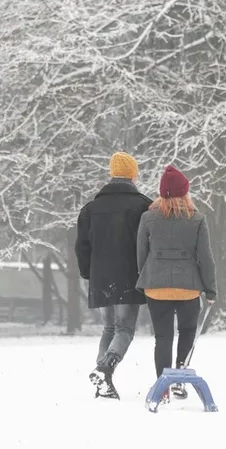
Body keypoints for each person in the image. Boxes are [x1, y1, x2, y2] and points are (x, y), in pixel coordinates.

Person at [136, 165, 217, 402]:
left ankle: (162, 388)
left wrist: (146, 275)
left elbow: (141, 253)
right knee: (187, 331)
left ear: (162, 192)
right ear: (185, 192)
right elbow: (205, 257)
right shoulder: (197, 219)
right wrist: (210, 289)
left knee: (162, 337)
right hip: (188, 287)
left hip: (156, 286)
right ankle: (180, 376)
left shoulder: (148, 217)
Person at [75, 152, 152, 400]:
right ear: (133, 174)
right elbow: (148, 243)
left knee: (109, 327)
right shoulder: (143, 206)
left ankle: (102, 382)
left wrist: (89, 273)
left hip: (100, 278)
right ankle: (104, 367)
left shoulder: (90, 209)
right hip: (128, 277)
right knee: (125, 329)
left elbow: (82, 246)